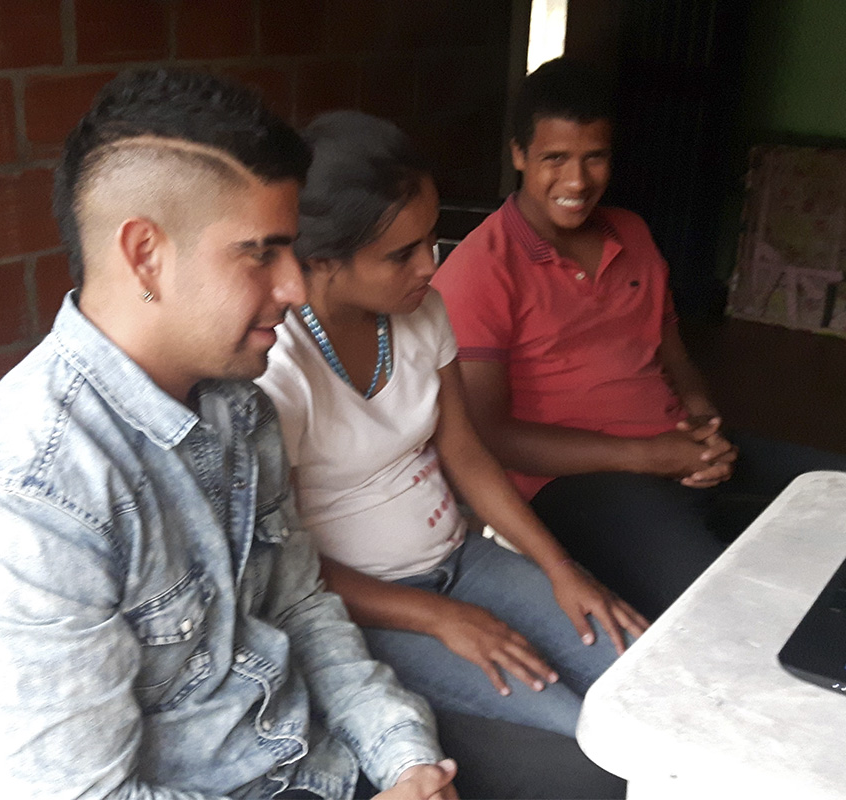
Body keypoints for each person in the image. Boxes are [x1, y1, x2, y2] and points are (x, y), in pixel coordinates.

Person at [0, 69, 459, 800]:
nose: (294, 286)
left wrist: (404, 758)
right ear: (146, 255)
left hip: (314, 762)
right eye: (262, 253)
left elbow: (300, 606)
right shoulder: (18, 509)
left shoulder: (238, 409)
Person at [256, 110, 647, 744]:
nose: (429, 266)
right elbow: (289, 567)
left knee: (638, 670)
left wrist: (559, 568)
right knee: (576, 733)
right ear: (324, 260)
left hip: (460, 557)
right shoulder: (280, 370)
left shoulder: (421, 312)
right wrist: (441, 617)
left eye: (431, 240)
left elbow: (464, 452)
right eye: (401, 254)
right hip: (367, 606)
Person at [432, 57, 846, 620]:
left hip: (674, 448)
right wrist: (649, 457)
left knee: (832, 491)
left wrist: (703, 421)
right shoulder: (481, 269)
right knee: (722, 608)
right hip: (575, 483)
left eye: (594, 157)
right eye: (555, 159)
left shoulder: (631, 232)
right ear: (519, 155)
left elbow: (672, 354)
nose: (577, 182)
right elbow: (491, 437)